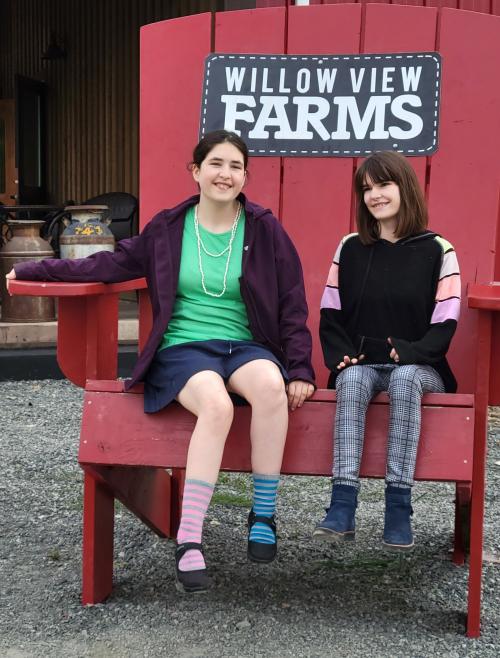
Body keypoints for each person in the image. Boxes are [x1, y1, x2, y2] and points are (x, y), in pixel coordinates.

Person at [7, 130, 315, 592]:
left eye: (235, 166)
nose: (224, 174)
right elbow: (104, 265)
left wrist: (300, 368)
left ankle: (264, 514)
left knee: (270, 389)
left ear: (246, 176)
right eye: (215, 163)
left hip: (246, 347)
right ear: (195, 171)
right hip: (185, 348)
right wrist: (36, 268)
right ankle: (190, 538)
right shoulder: (169, 229)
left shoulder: (264, 228)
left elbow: (292, 299)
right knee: (216, 406)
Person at [312, 151, 460, 551]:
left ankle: (398, 506)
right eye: (367, 189)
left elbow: (445, 322)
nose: (375, 195)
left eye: (383, 185)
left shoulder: (438, 250)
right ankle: (342, 505)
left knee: (407, 378)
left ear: (404, 188)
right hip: (365, 362)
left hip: (422, 366)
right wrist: (341, 355)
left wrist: (412, 352)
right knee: (353, 379)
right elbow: (331, 313)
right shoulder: (350, 248)